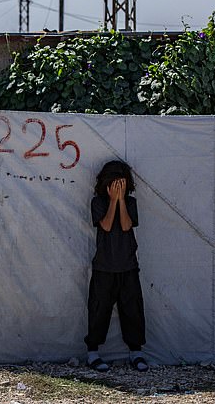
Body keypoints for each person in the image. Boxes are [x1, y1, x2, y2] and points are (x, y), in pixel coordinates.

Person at [85, 160, 148, 373]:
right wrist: (113, 201)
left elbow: (126, 224)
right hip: (104, 266)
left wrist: (121, 201)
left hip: (128, 265)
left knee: (132, 309)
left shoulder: (130, 203)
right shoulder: (98, 202)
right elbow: (106, 224)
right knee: (99, 309)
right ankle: (93, 351)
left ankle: (136, 351)